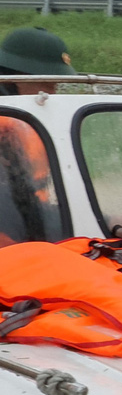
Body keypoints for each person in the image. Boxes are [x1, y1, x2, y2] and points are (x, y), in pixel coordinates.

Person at [0, 27, 74, 244]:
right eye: (47, 84)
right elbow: (14, 204)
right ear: (16, 79)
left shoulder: (21, 124)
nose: (53, 94)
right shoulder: (7, 129)